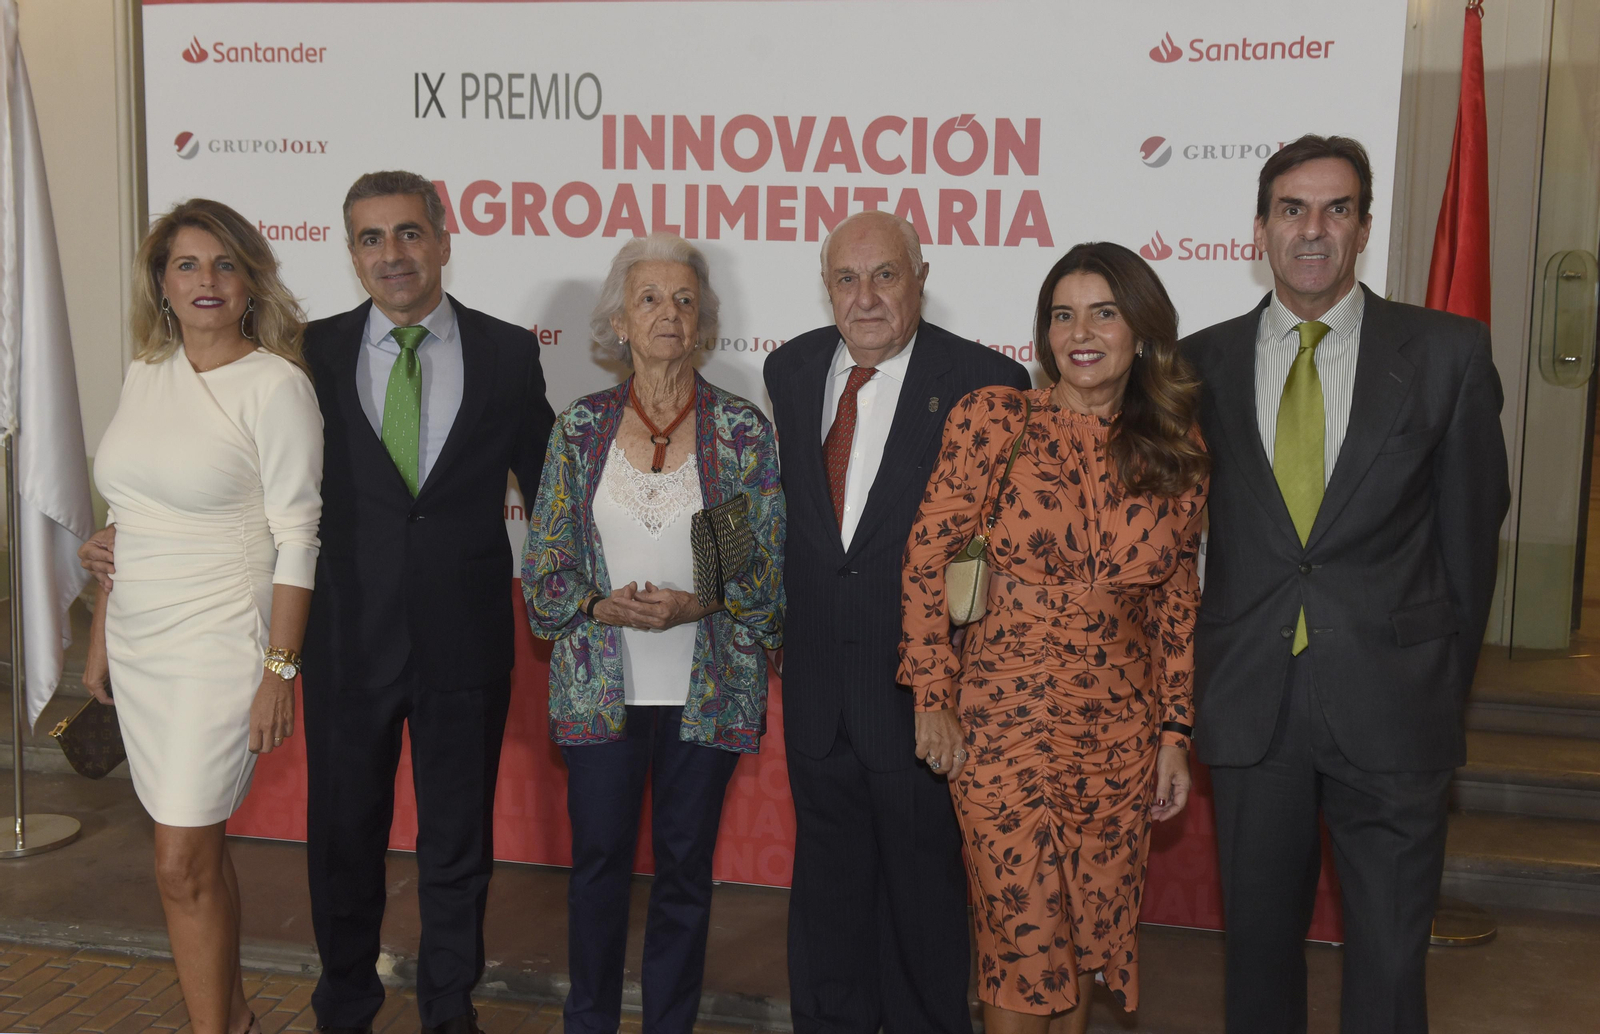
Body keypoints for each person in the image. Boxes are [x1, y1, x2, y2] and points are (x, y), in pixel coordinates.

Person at [1183, 135, 1510, 1034]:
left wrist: (1440, 681)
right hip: (1254, 706)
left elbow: (1471, 542)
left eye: (1337, 208)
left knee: (1391, 965)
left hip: (1396, 707)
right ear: (1261, 229)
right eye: (1293, 209)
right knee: (1255, 962)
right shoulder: (1195, 365)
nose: (1313, 229)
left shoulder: (1447, 353)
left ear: (1365, 226)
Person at [900, 242, 1207, 1034]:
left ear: (1139, 329)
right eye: (1062, 314)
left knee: (1083, 940)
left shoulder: (1177, 446)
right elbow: (929, 560)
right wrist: (933, 696)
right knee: (1019, 934)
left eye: (1104, 312)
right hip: (1003, 726)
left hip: (1118, 735)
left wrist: (1174, 733)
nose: (1082, 331)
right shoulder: (994, 419)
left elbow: (1175, 599)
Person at [764, 210, 1030, 1034]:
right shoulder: (791, 368)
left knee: (922, 904)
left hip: (924, 702)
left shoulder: (988, 383)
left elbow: (997, 564)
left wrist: (944, 686)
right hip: (816, 693)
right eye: (847, 278)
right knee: (827, 900)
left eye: (886, 275)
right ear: (826, 287)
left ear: (921, 276)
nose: (866, 297)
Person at [521, 233, 785, 1034]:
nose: (668, 314)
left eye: (682, 300)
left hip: (703, 690)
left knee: (684, 873)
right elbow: (546, 569)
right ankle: (590, 1021)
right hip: (602, 687)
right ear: (619, 322)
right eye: (649, 300)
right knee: (597, 868)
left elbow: (763, 572)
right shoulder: (580, 429)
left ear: (702, 318)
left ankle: (669, 1023)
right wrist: (603, 606)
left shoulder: (741, 431)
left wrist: (693, 605)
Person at [81, 198, 322, 1034]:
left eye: (224, 264)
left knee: (179, 861)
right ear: (162, 282)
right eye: (187, 264)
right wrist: (99, 623)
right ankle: (238, 1019)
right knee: (197, 855)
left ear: (250, 280)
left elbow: (299, 538)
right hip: (140, 637)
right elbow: (127, 511)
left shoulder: (277, 386)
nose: (206, 281)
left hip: (221, 640)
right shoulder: (146, 371)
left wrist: (279, 672)